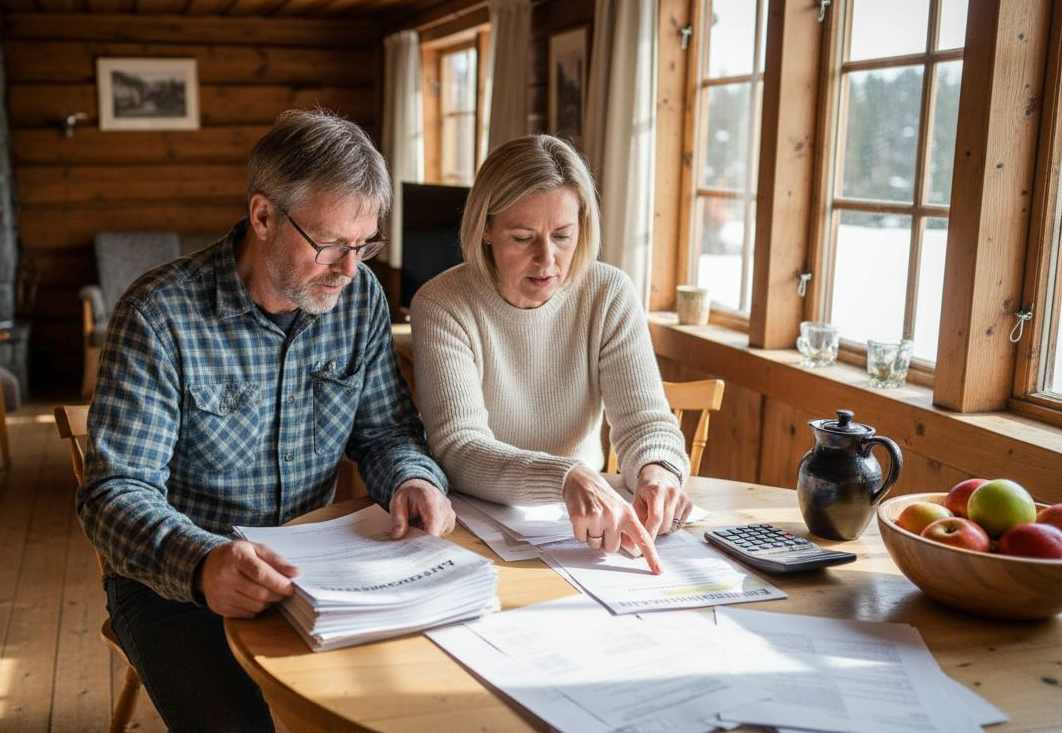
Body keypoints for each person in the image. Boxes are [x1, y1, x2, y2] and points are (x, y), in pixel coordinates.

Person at [77, 109, 454, 732]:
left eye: (365, 245)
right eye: (331, 244)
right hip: (179, 583)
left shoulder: (357, 298)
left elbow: (386, 431)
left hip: (321, 570)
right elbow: (113, 494)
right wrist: (203, 563)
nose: (349, 268)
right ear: (263, 216)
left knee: (419, 706)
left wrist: (414, 480)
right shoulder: (158, 315)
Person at [410, 134, 692, 574]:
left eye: (563, 236)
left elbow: (646, 422)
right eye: (522, 238)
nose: (547, 260)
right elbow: (458, 448)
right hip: (474, 532)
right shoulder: (442, 303)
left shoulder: (608, 292)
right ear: (485, 228)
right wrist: (566, 476)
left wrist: (659, 472)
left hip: (582, 524)